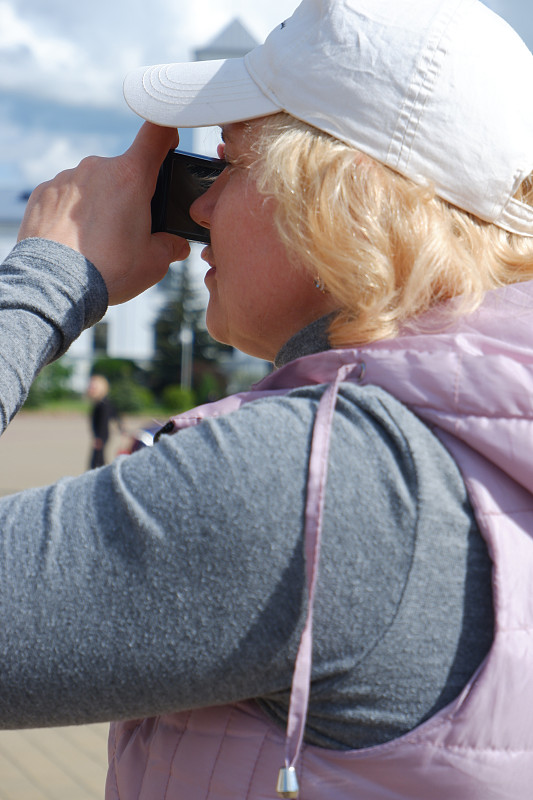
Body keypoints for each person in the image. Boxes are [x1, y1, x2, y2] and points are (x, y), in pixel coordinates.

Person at [1, 0, 533, 797]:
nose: (203, 209)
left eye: (229, 166)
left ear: (337, 197)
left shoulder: (318, 484)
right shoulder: (483, 441)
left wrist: (43, 277)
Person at [87, 374, 122, 468]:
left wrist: (99, 438)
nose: (90, 389)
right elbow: (116, 415)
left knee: (96, 461)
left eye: (93, 387)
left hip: (102, 436)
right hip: (101, 436)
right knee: (98, 459)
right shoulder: (100, 403)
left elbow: (104, 422)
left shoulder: (103, 404)